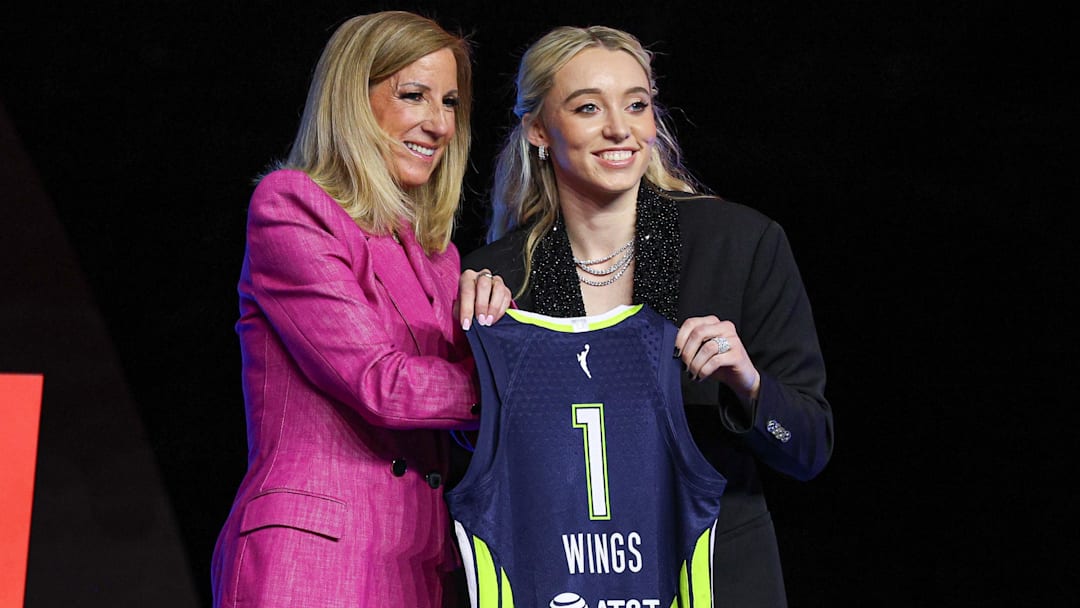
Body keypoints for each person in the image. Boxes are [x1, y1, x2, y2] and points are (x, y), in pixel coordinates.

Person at [460, 25, 833, 606]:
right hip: (566, 586)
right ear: (538, 129)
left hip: (718, 582)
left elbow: (808, 447)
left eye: (637, 105)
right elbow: (487, 472)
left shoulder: (740, 243)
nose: (620, 129)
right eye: (588, 107)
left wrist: (750, 386)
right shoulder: (496, 279)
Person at [211, 11, 509, 608]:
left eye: (450, 102)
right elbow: (382, 384)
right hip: (314, 560)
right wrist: (516, 384)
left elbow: (459, 423)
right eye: (413, 95)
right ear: (352, 100)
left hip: (424, 566)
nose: (438, 123)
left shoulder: (441, 255)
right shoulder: (293, 205)